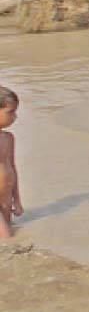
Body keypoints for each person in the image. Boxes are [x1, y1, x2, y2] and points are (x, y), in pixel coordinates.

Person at [0, 86, 22, 238]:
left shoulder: (9, 138)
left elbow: (12, 168)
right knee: (7, 237)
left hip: (6, 197)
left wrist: (17, 200)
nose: (15, 116)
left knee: (9, 230)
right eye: (11, 112)